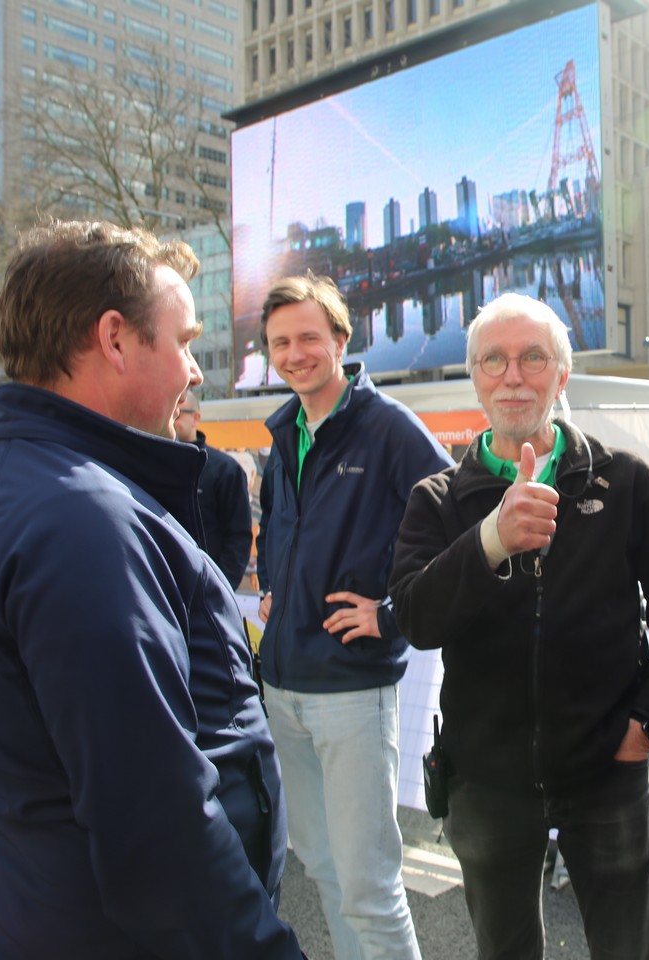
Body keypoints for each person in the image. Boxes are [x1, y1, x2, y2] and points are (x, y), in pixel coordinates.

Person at [0, 220, 304, 959]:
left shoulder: (16, 490)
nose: (194, 372)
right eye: (184, 342)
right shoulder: (81, 518)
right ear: (115, 340)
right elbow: (156, 820)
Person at [389, 293, 649, 960]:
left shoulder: (626, 484)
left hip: (607, 775)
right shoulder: (438, 500)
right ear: (475, 377)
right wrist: (491, 540)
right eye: (494, 360)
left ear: (562, 374)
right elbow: (416, 619)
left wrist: (644, 729)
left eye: (532, 357)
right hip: (484, 783)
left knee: (631, 950)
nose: (513, 376)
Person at [254, 272, 449, 960]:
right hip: (282, 688)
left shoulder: (388, 428)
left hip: (351, 692)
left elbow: (457, 528)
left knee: (368, 885)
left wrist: (392, 615)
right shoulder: (285, 430)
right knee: (323, 869)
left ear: (341, 339)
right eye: (280, 342)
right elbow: (275, 528)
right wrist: (274, 586)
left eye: (308, 337)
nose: (295, 354)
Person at [173, 389, 253, 589]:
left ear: (196, 418)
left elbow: (238, 537)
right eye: (170, 410)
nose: (173, 417)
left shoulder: (225, 469)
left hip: (206, 587)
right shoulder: (154, 464)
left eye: (179, 412)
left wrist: (219, 590)